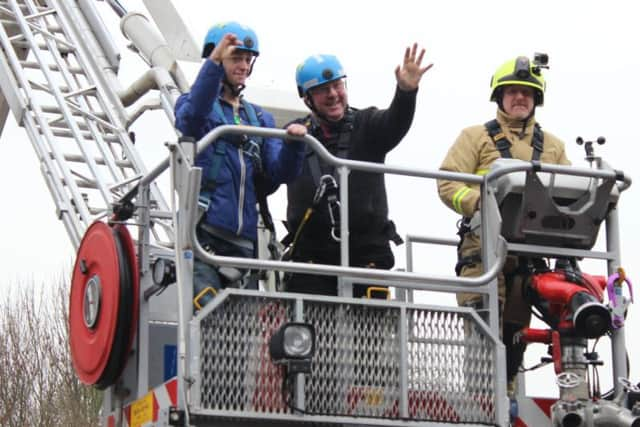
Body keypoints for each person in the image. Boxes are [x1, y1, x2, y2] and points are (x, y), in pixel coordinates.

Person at [437, 55, 570, 389]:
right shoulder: (475, 138)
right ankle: (483, 403)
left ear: (536, 99)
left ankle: (507, 401)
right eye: (511, 91)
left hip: (528, 261)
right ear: (500, 97)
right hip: (483, 254)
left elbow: (570, 194)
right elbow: (448, 183)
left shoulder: (554, 148)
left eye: (527, 92)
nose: (519, 98)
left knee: (513, 341)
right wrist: (481, 203)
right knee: (482, 333)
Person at [174, 21, 306, 309]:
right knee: (209, 314)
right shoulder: (194, 104)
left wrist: (294, 146)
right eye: (236, 57)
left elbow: (277, 172)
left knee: (240, 331)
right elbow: (190, 120)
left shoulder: (259, 118)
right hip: (204, 233)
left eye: (248, 59)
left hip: (243, 243)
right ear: (217, 57)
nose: (244, 65)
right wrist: (211, 66)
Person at [283, 44, 432, 297]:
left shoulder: (367, 124)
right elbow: (276, 170)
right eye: (322, 90)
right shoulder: (295, 134)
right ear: (307, 98)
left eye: (337, 86)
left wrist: (406, 92)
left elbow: (395, 123)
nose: (333, 94)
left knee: (371, 334)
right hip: (311, 259)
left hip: (367, 254)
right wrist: (291, 145)